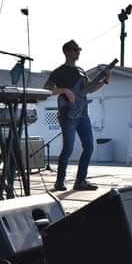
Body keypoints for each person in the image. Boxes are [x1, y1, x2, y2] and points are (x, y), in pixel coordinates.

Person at [43, 39, 110, 191]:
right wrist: (65, 90)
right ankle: (59, 182)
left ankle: (80, 181)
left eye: (79, 49)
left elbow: (90, 89)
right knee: (68, 148)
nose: (78, 52)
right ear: (66, 52)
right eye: (75, 49)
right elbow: (47, 89)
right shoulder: (59, 71)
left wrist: (105, 81)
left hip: (83, 114)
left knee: (89, 147)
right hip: (68, 114)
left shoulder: (81, 71)